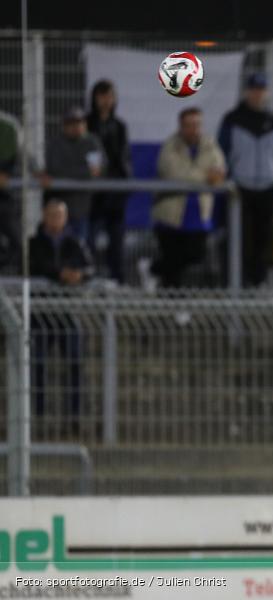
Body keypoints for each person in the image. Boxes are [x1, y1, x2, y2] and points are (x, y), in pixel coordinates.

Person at [218, 73, 273, 287]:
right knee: (237, 237)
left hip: (267, 186)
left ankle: (257, 281)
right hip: (240, 187)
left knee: (265, 238)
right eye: (254, 90)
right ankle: (235, 281)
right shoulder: (233, 119)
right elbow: (223, 151)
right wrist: (229, 178)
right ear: (247, 92)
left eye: (262, 90)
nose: (258, 94)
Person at [29, 200, 93, 433]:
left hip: (67, 313)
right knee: (36, 366)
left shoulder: (75, 242)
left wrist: (79, 275)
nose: (56, 219)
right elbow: (32, 267)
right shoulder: (34, 244)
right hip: (41, 314)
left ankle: (74, 416)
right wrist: (59, 274)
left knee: (76, 363)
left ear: (65, 218)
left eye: (60, 215)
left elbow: (90, 268)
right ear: (44, 217)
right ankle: (37, 416)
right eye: (52, 215)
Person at [151, 107, 226, 288]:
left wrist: (207, 176)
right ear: (181, 126)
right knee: (173, 263)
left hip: (198, 216)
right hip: (171, 216)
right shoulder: (170, 146)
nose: (194, 129)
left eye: (197, 124)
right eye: (189, 125)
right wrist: (204, 178)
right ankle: (171, 305)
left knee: (195, 255)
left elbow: (219, 170)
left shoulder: (210, 145)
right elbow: (173, 174)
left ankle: (153, 269)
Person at [86, 80, 131, 283]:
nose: (105, 102)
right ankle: (88, 277)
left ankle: (118, 280)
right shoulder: (87, 124)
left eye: (109, 97)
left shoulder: (119, 127)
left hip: (115, 192)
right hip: (93, 194)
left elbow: (121, 158)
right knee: (89, 239)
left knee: (117, 240)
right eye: (102, 97)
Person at [42, 107, 106, 241]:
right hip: (57, 209)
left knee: (80, 248)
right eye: (71, 123)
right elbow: (54, 170)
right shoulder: (55, 144)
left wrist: (65, 174)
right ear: (64, 125)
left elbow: (95, 171)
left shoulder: (91, 142)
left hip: (85, 209)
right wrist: (83, 172)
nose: (76, 126)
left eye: (79, 122)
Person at [0, 111, 19, 271]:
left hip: (5, 196)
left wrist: (6, 172)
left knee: (15, 242)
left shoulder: (8, 126)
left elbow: (20, 155)